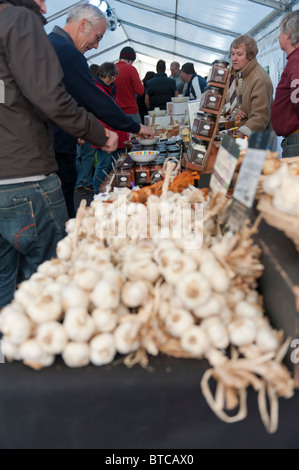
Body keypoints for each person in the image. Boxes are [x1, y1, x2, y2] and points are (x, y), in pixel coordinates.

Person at [0, 0, 118, 309]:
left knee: (4, 282)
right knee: (55, 277)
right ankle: (47, 352)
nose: (45, 3)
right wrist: (100, 133)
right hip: (26, 177)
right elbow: (48, 96)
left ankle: (10, 347)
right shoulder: (19, 20)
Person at [48, 5, 154, 217]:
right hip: (56, 151)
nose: (96, 46)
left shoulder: (46, 44)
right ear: (83, 25)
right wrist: (134, 126)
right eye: (97, 37)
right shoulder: (67, 53)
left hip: (40, 151)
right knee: (62, 221)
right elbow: (96, 101)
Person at [90, 62, 130, 194]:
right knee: (104, 166)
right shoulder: (99, 90)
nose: (114, 81)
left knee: (111, 165)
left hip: (111, 134)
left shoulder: (105, 89)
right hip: (106, 135)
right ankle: (97, 192)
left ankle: (107, 191)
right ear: (107, 76)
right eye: (113, 78)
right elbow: (106, 115)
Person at [227, 35, 273, 138]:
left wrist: (242, 133)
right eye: (232, 54)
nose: (234, 58)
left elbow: (260, 116)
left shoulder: (260, 80)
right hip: (233, 136)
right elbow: (224, 100)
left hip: (253, 141)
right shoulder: (232, 74)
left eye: (239, 54)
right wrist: (230, 109)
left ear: (250, 55)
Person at [271, 11, 299, 158]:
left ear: (289, 33)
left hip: (296, 140)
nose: (278, 36)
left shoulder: (296, 60)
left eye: (281, 31)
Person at [115, 46, 145, 123]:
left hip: (116, 112)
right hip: (131, 112)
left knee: (121, 135)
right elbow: (140, 91)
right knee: (139, 134)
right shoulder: (131, 69)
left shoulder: (111, 69)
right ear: (130, 60)